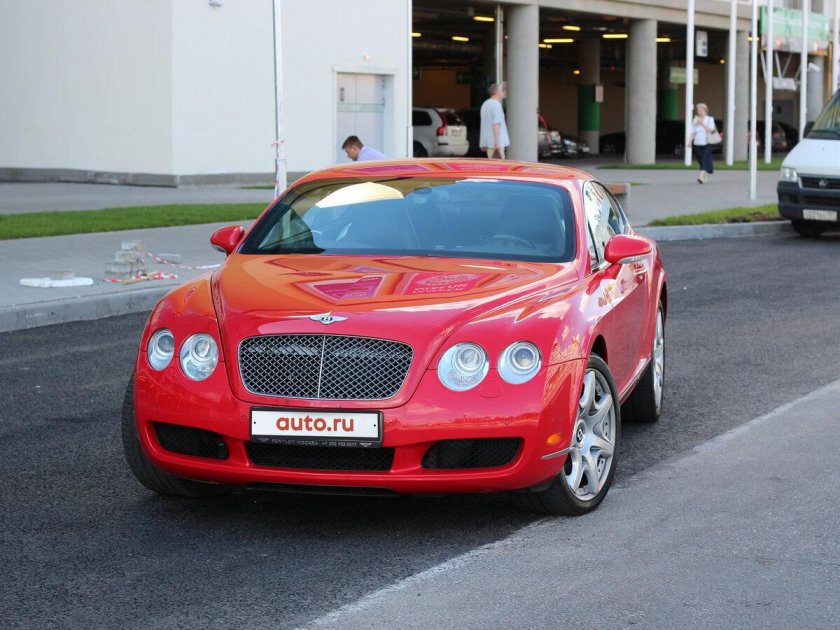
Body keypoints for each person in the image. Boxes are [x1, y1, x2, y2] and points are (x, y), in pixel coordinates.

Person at [479, 82, 509, 159]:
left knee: (492, 166)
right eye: (502, 90)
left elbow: (484, 125)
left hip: (488, 142)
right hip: (496, 143)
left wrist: (483, 142)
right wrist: (497, 142)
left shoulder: (485, 104)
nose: (503, 92)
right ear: (497, 92)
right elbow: (496, 124)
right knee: (500, 167)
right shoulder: (496, 105)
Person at [687, 103, 716, 184]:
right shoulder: (695, 119)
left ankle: (701, 176)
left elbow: (710, 130)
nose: (699, 112)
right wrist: (689, 142)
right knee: (700, 160)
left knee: (704, 159)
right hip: (697, 143)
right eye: (698, 110)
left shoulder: (710, 119)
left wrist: (702, 124)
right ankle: (705, 174)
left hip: (707, 142)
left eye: (700, 110)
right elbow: (693, 132)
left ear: (705, 110)